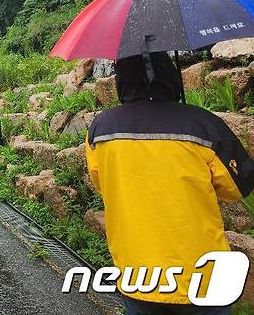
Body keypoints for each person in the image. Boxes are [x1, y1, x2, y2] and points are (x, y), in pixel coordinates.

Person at [86, 52, 254, 314]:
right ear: (171, 76)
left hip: (136, 276)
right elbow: (238, 188)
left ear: (122, 82)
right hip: (201, 277)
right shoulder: (203, 125)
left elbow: (101, 183)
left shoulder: (100, 130)